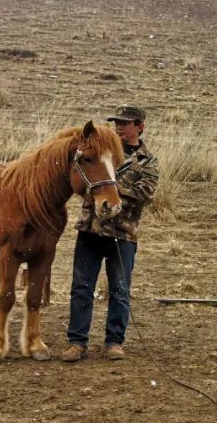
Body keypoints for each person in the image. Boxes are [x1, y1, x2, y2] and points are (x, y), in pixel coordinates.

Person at [61, 104, 159, 362]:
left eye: (125, 123)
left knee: (120, 288)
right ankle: (76, 342)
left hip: (123, 234)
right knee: (81, 287)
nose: (119, 127)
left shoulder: (147, 161)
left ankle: (114, 342)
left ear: (140, 126)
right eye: (117, 122)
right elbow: (83, 177)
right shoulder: (101, 151)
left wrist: (110, 191)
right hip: (90, 229)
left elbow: (145, 194)